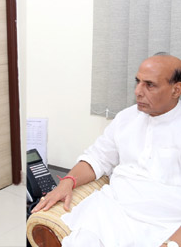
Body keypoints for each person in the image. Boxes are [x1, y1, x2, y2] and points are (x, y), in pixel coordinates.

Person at [32, 53, 181, 247]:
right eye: (137, 82)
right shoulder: (126, 118)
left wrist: (173, 243)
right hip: (113, 211)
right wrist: (67, 182)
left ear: (176, 90)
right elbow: (97, 157)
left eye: (149, 85)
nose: (138, 91)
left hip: (165, 222)